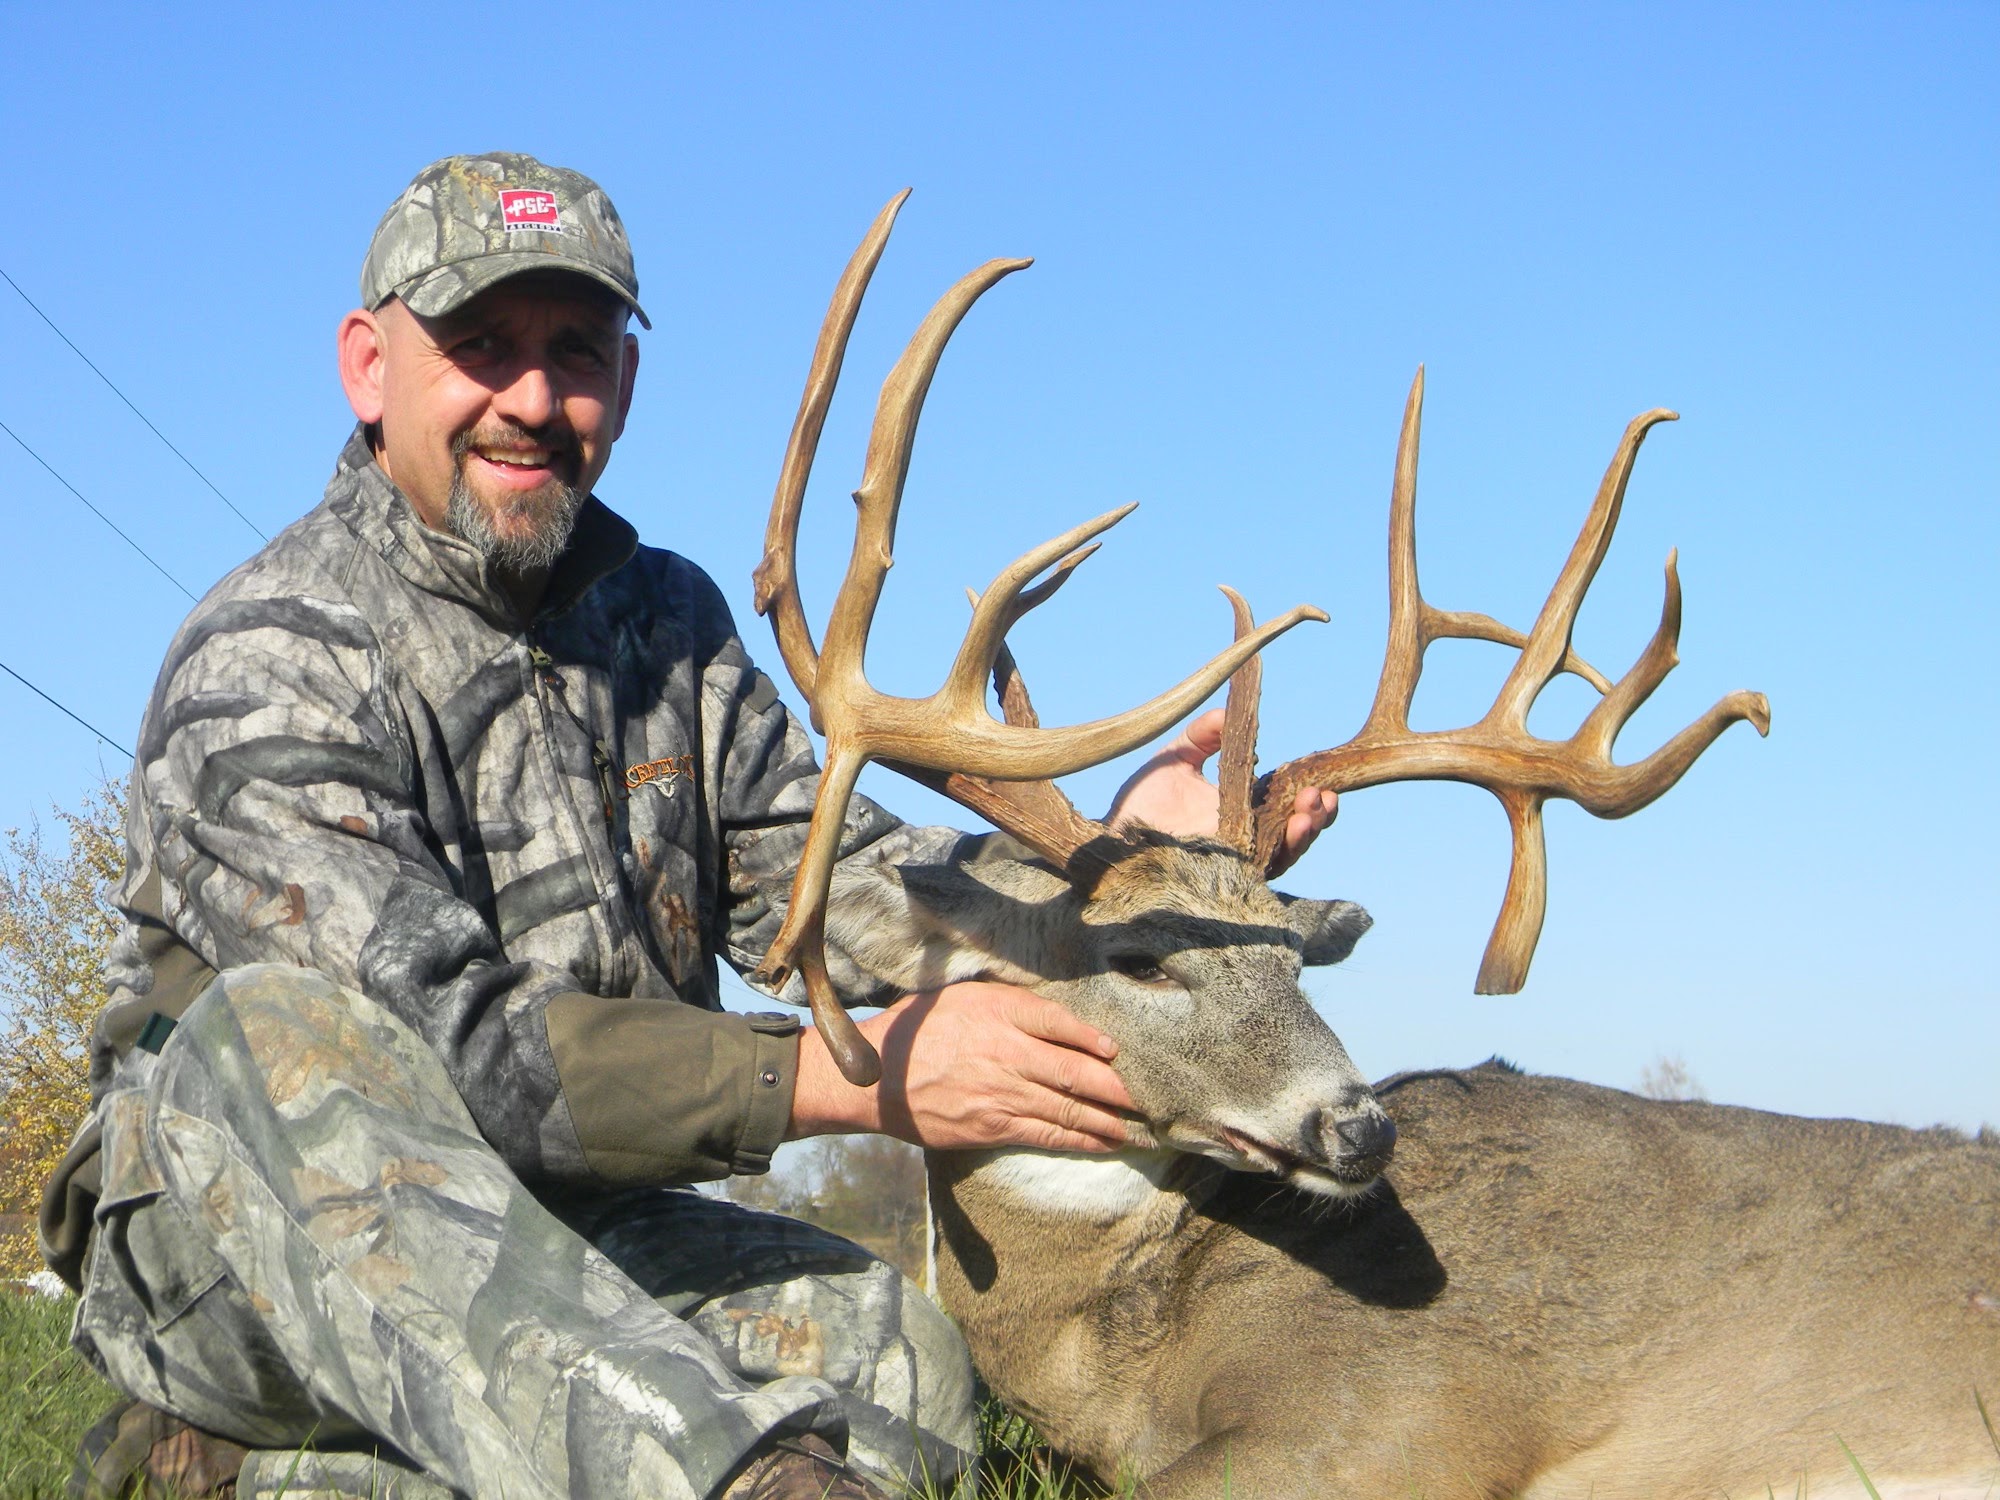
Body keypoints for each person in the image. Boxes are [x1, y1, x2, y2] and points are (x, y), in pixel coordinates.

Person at [40, 153, 1335, 1500]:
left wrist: (1115, 882)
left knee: (901, 1364)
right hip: (250, 1255)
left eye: (577, 352)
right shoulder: (269, 656)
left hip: (573, 1227)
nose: (533, 400)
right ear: (371, 366)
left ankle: (290, 1485)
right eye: (481, 347)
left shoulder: (666, 624)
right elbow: (456, 1054)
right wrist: (848, 1078)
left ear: (629, 381)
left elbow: (845, 887)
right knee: (287, 1043)